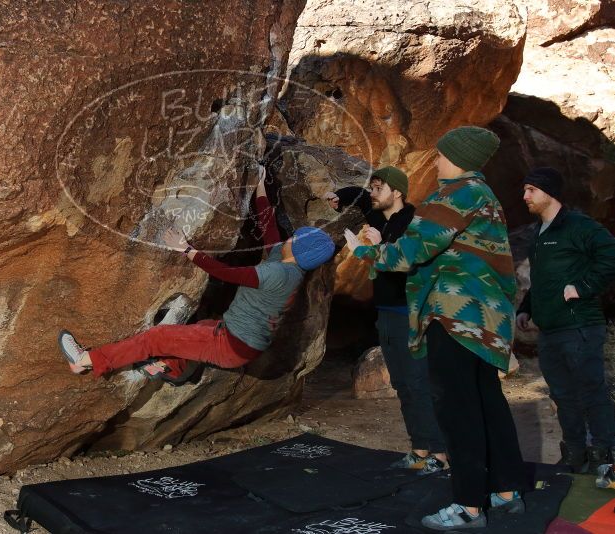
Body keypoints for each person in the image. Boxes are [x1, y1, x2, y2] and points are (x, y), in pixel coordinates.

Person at [344, 126, 527, 531]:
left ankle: (468, 506)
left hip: (455, 316)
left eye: (442, 155)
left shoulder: (457, 193)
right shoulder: (484, 194)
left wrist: (364, 250)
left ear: (458, 158)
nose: (438, 161)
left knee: (458, 409)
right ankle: (507, 488)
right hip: (483, 321)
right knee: (486, 402)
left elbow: (412, 250)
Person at [57, 169, 335, 378]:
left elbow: (225, 273)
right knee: (201, 328)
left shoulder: (278, 274)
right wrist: (260, 184)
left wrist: (185, 249)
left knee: (157, 337)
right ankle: (170, 367)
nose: (289, 239)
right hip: (239, 342)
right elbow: (269, 225)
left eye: (294, 240)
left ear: (297, 251)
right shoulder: (289, 263)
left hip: (230, 346)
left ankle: (86, 361)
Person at [325, 167, 447, 475]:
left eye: (379, 188)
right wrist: (340, 197)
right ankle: (419, 449)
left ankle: (440, 453)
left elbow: (407, 263)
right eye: (373, 187)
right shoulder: (381, 218)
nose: (373, 193)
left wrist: (378, 245)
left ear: (397, 192)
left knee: (421, 384)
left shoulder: (413, 223)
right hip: (388, 314)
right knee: (403, 384)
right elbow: (362, 200)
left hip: (412, 313)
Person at [516, 167, 615, 474]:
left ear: (550, 192)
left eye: (531, 189)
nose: (525, 196)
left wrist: (583, 288)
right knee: (561, 395)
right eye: (525, 189)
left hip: (581, 327)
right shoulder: (537, 233)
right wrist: (526, 308)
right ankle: (576, 454)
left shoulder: (578, 225)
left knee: (591, 392)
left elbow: (610, 255)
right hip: (551, 331)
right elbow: (543, 279)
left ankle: (605, 456)